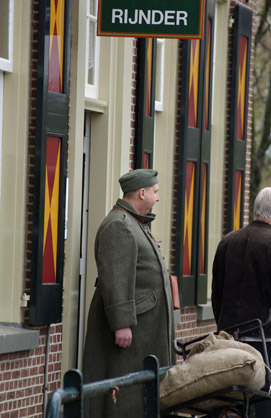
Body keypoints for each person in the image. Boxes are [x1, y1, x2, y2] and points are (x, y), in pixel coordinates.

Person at [83, 168, 175, 418]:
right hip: (131, 331)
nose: (157, 198)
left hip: (144, 328)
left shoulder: (134, 223)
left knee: (139, 395)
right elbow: (115, 278)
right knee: (123, 398)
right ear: (142, 192)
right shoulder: (119, 225)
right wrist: (122, 323)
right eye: (155, 192)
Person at [211, 186, 271, 418]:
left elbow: (217, 293)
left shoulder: (227, 242)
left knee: (232, 404)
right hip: (267, 342)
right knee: (268, 405)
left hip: (230, 340)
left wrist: (223, 328)